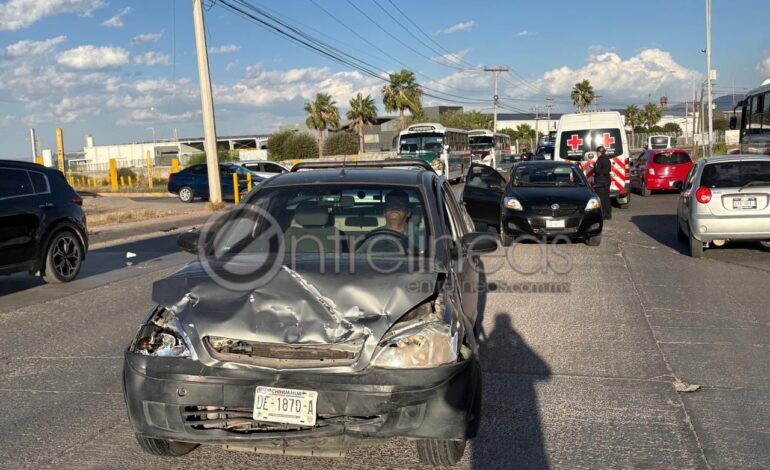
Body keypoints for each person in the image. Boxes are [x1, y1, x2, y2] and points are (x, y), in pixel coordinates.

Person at [593, 145, 612, 220]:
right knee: (606, 197)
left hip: (600, 180)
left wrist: (594, 166)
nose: (597, 154)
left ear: (599, 152)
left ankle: (603, 215)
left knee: (601, 198)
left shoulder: (600, 160)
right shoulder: (607, 159)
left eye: (597, 152)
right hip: (607, 179)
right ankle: (608, 214)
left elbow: (596, 170)